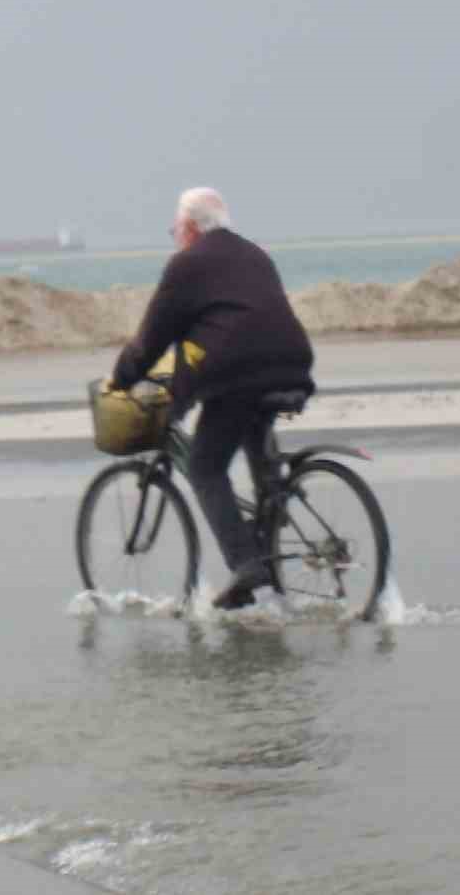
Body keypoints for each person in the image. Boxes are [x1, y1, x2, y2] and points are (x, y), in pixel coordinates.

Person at [107, 187, 316, 609]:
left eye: (175, 229)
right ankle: (272, 514)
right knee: (254, 433)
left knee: (205, 467)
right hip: (290, 363)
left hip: (238, 375)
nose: (176, 237)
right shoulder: (255, 254)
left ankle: (247, 565)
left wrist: (122, 378)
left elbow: (152, 338)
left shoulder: (187, 264)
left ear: (189, 227)